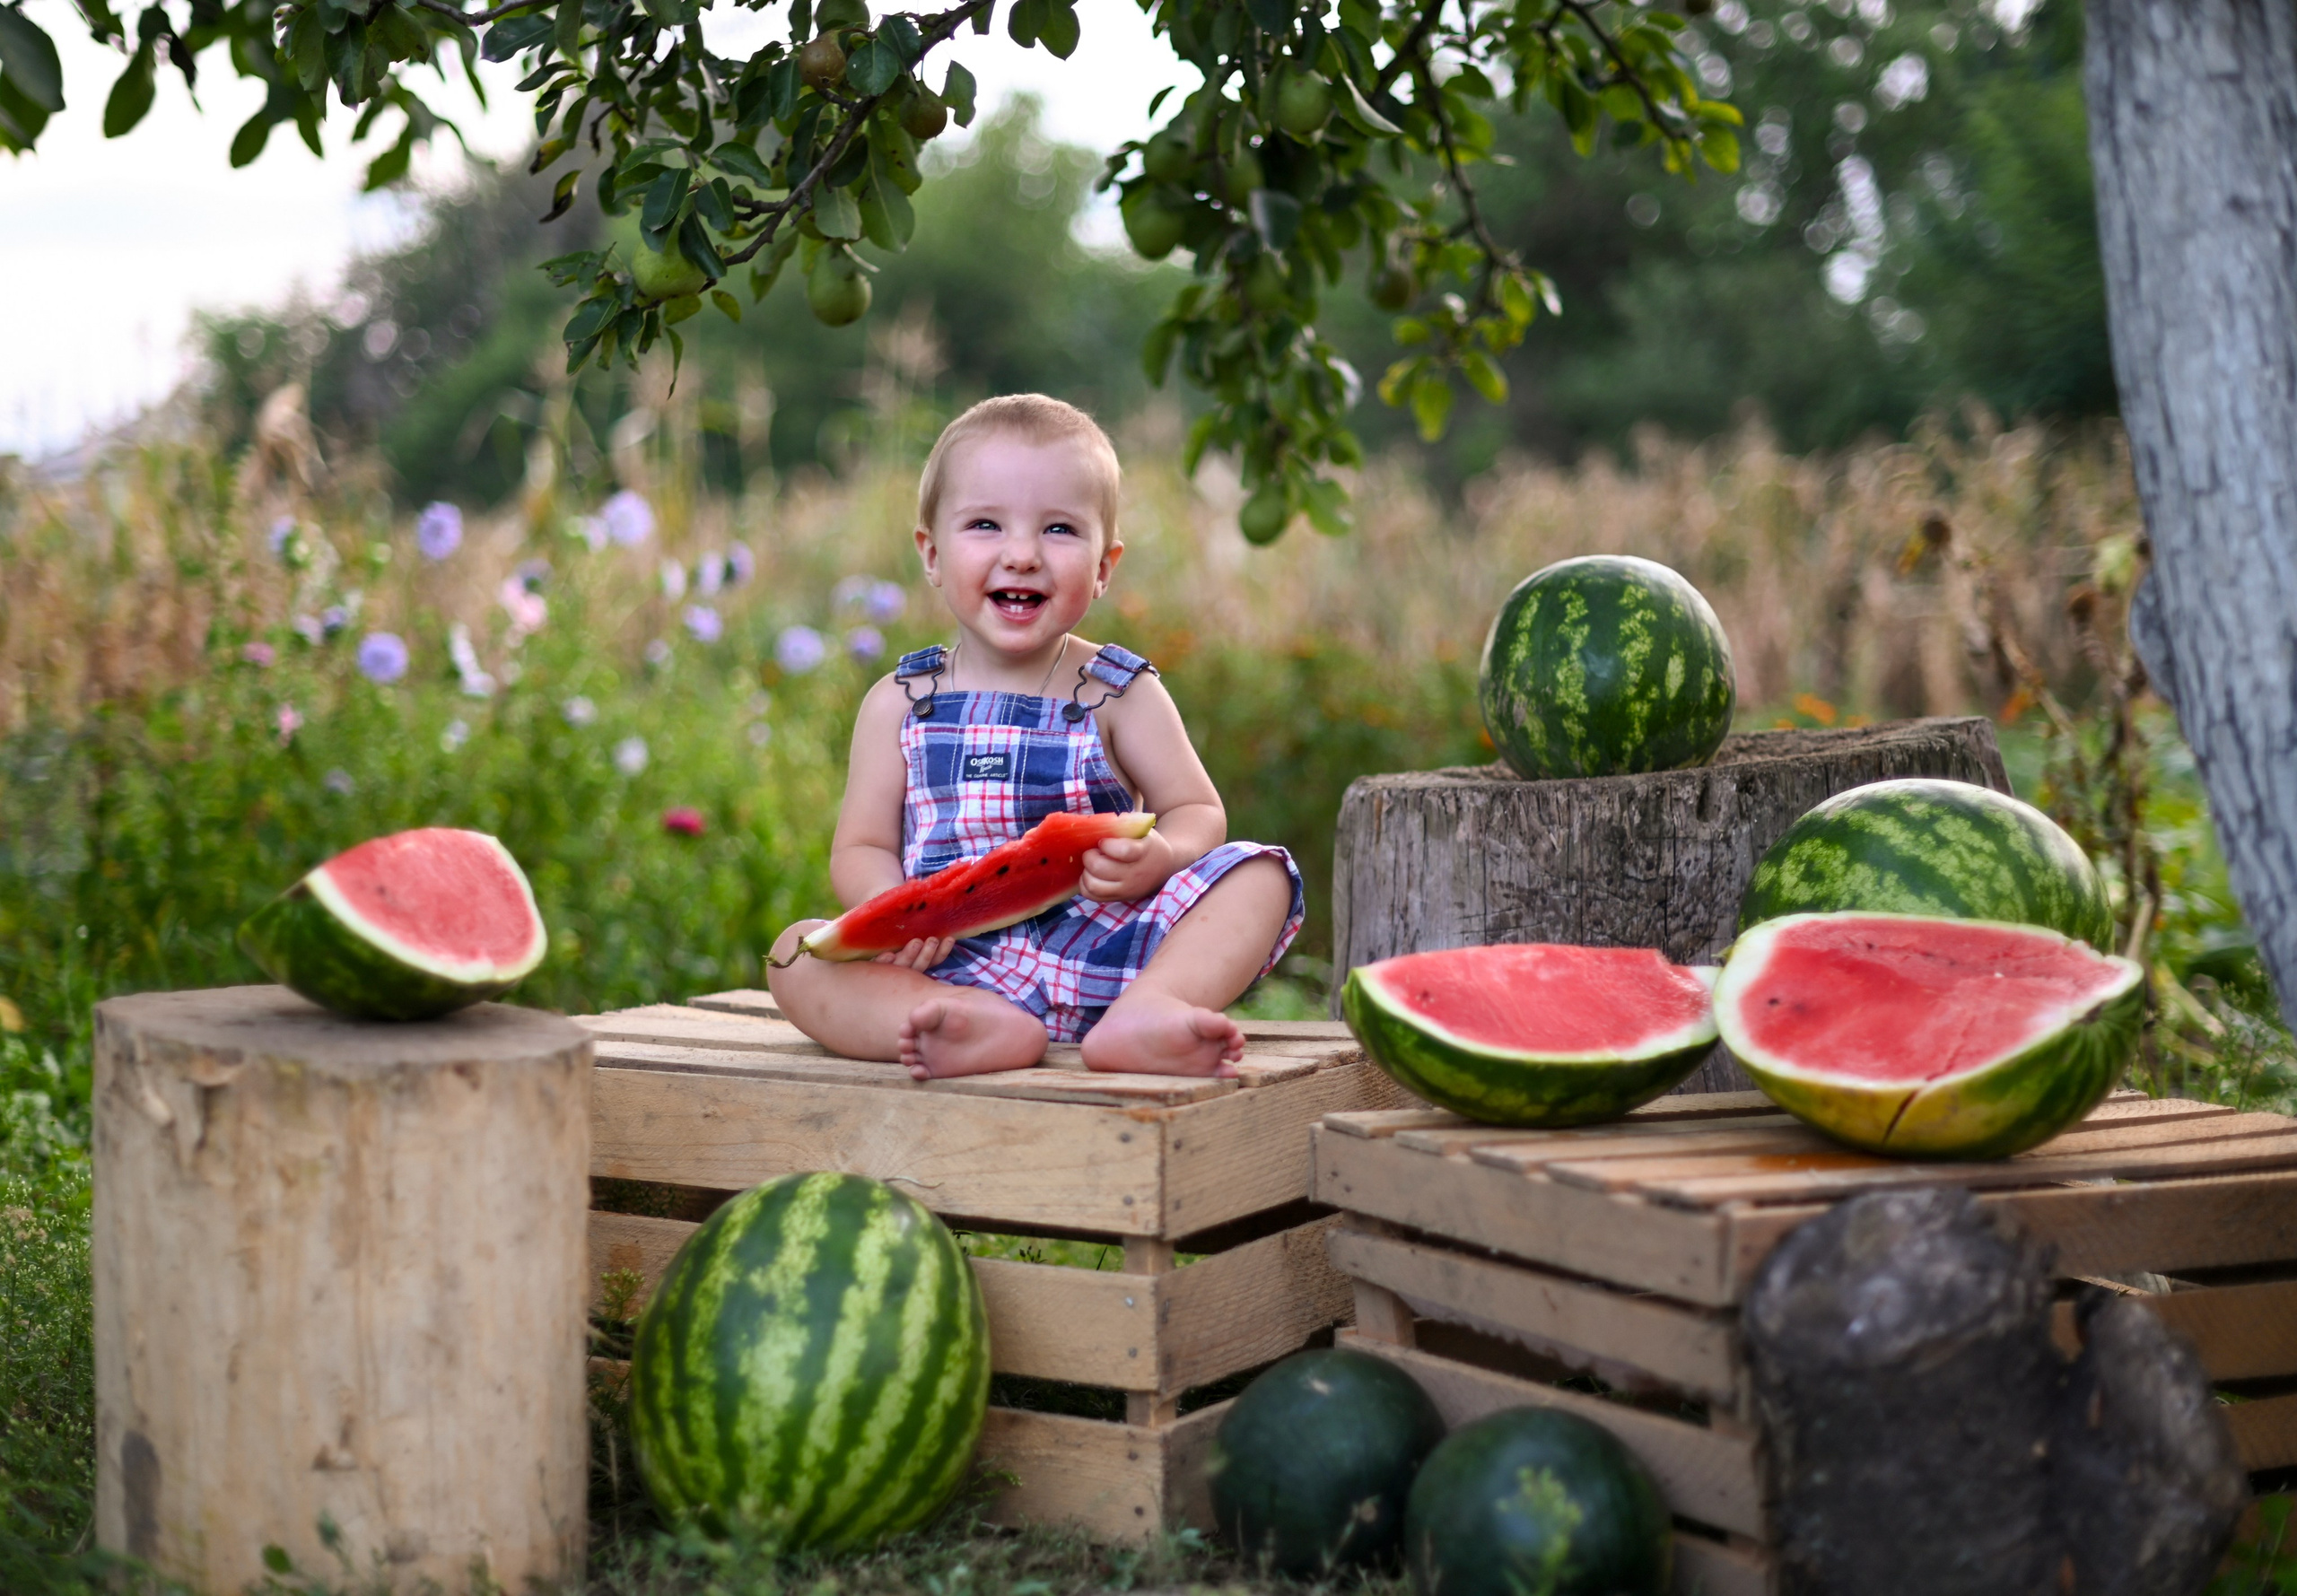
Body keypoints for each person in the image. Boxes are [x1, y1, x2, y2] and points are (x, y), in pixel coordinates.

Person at [769, 395, 1304, 1081]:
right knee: (794, 956)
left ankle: (1151, 1008)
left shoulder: (1118, 689)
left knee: (1261, 872)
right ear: (931, 553)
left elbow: (1198, 809)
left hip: (1110, 942)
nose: (1021, 555)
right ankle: (963, 1027)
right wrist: (900, 913)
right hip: (954, 965)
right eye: (986, 524)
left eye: (1058, 530)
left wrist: (1162, 855)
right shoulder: (899, 703)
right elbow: (863, 844)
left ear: (1105, 566)